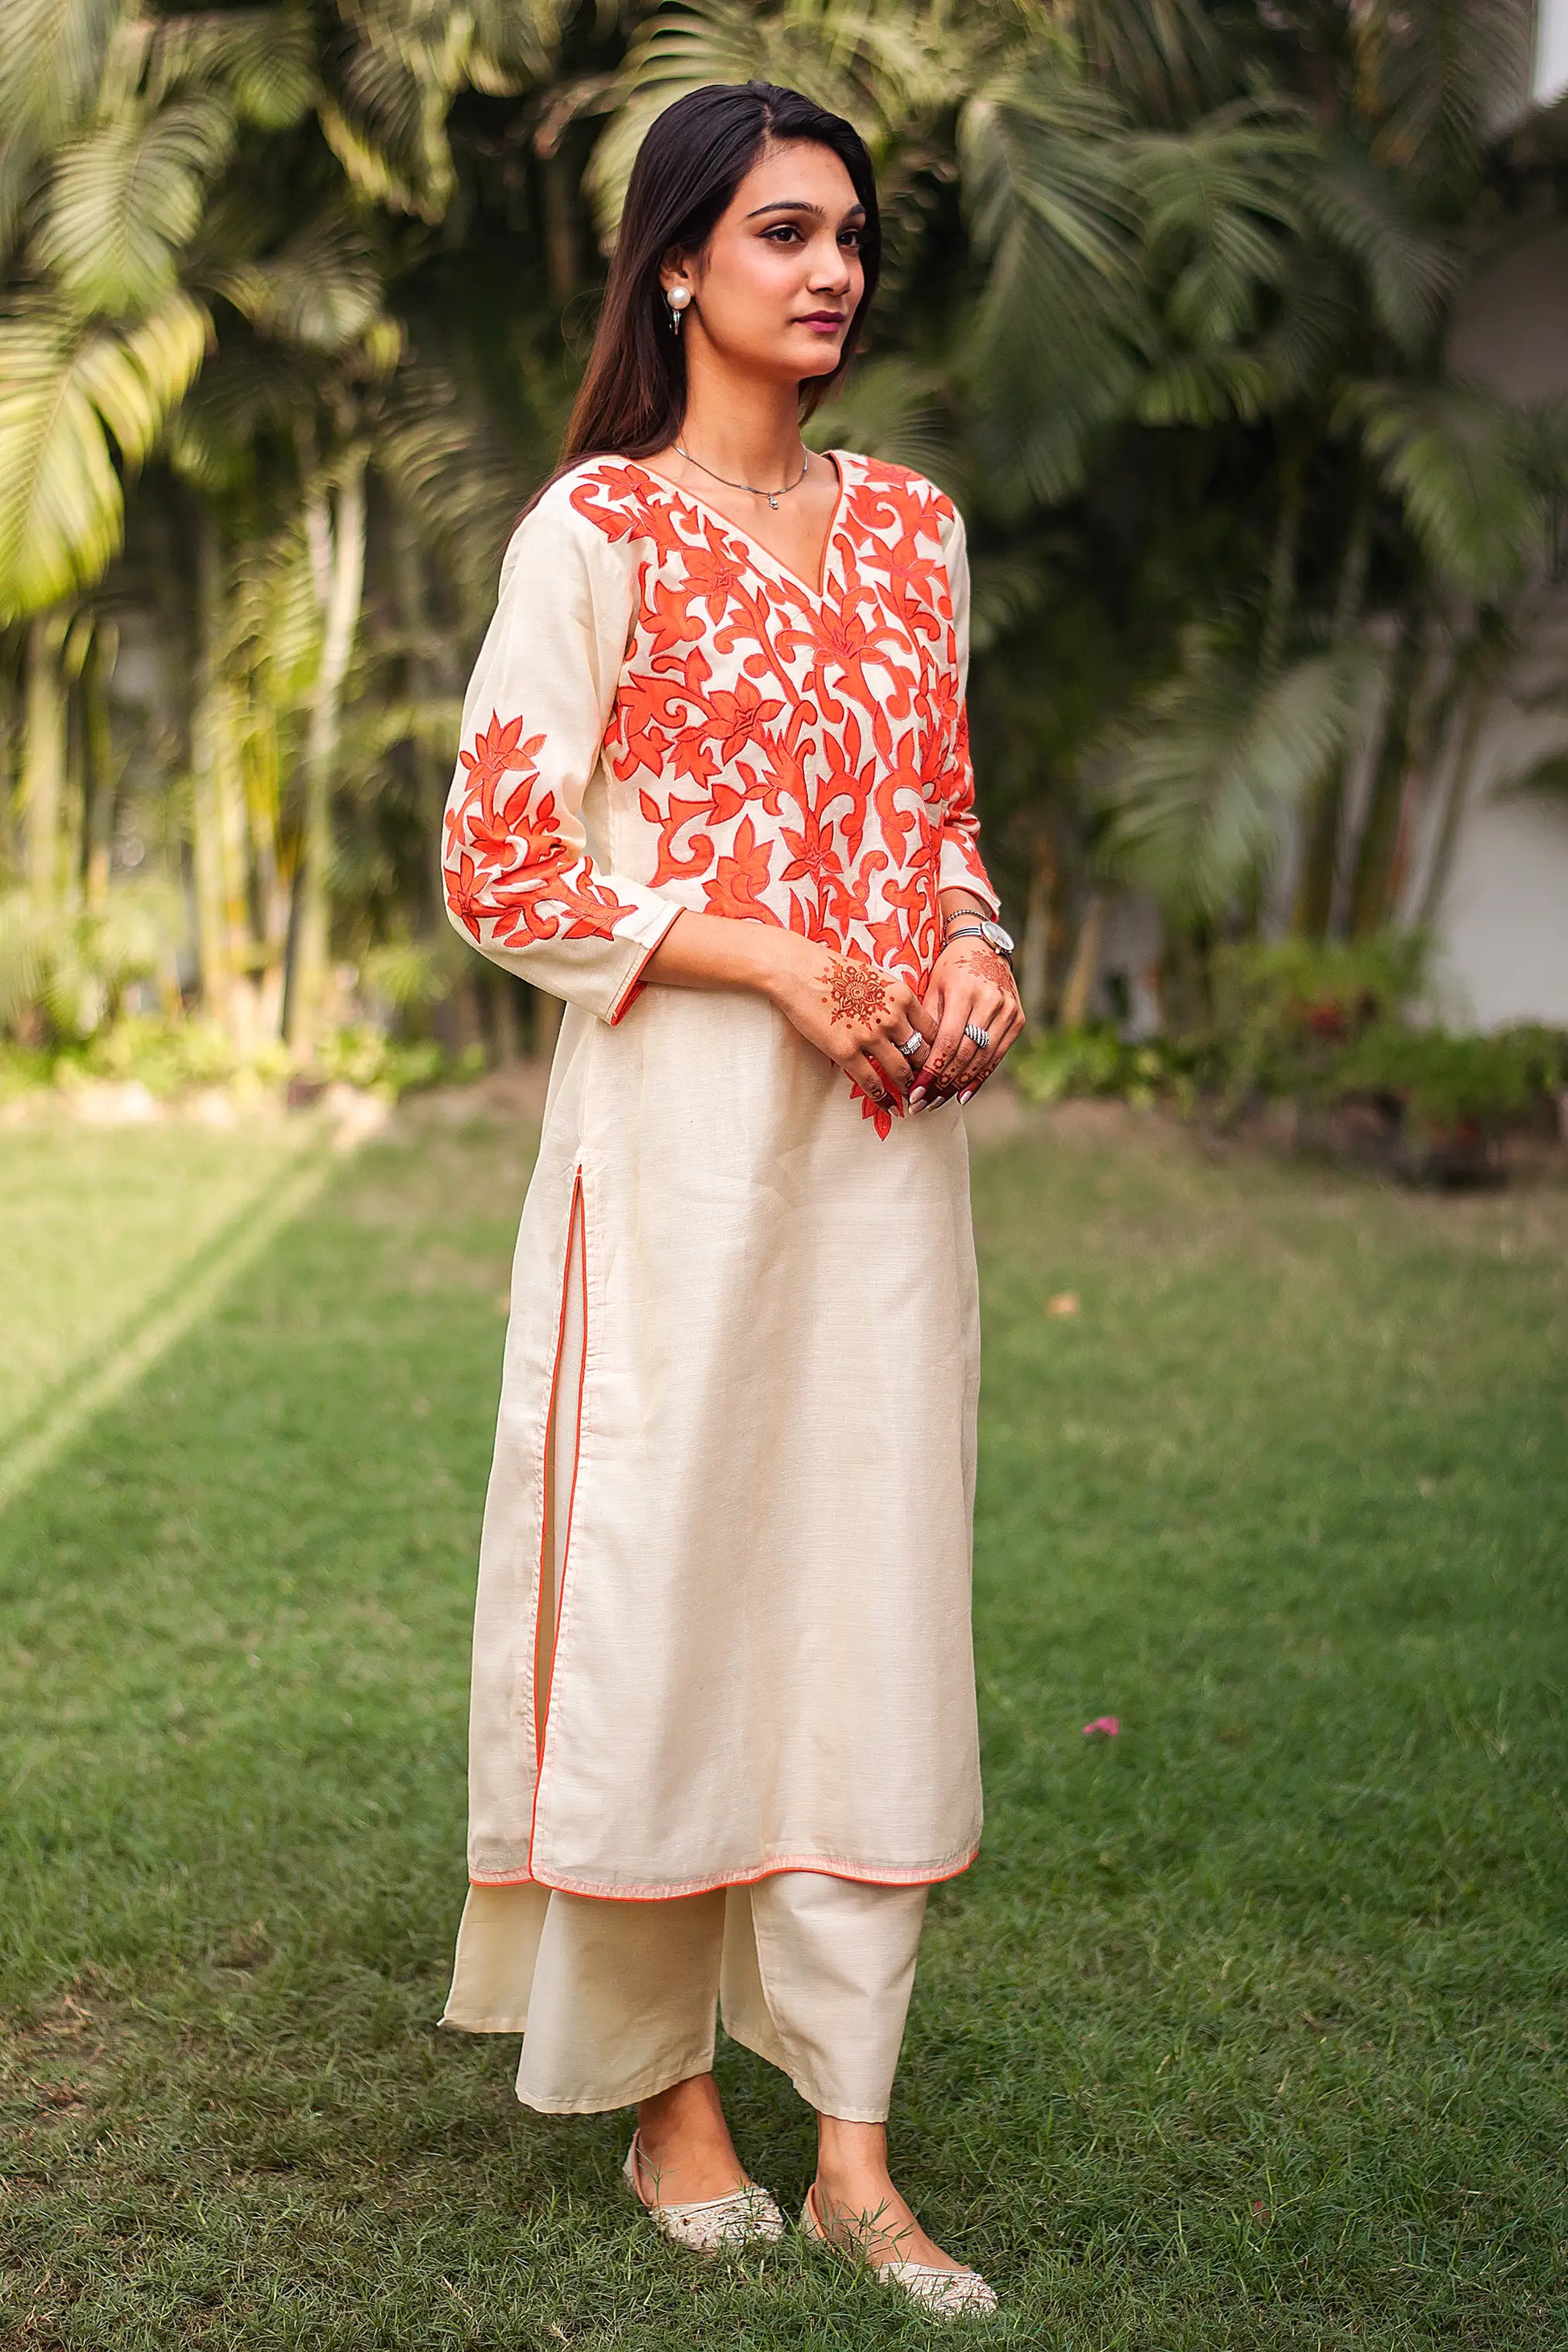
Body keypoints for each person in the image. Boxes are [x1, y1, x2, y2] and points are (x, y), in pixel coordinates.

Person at [437, 77, 1023, 2321]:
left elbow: (944, 816)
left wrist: (969, 953)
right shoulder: (592, 532)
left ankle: (859, 2146)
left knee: (867, 1582)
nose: (831, 270)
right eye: (781, 232)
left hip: (885, 1156)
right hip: (680, 1137)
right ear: (678, 262)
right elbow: (505, 860)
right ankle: (669, 2096)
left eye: (849, 235)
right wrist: (765, 953)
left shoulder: (914, 531)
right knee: (675, 1578)